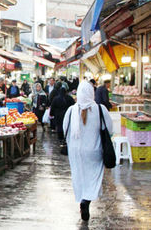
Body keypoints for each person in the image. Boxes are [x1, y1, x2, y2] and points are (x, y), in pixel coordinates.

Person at [63, 81, 113, 221]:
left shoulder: (71, 110)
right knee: (93, 177)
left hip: (75, 152)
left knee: (79, 176)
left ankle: (82, 199)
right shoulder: (100, 109)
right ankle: (86, 200)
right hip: (94, 151)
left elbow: (65, 130)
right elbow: (109, 129)